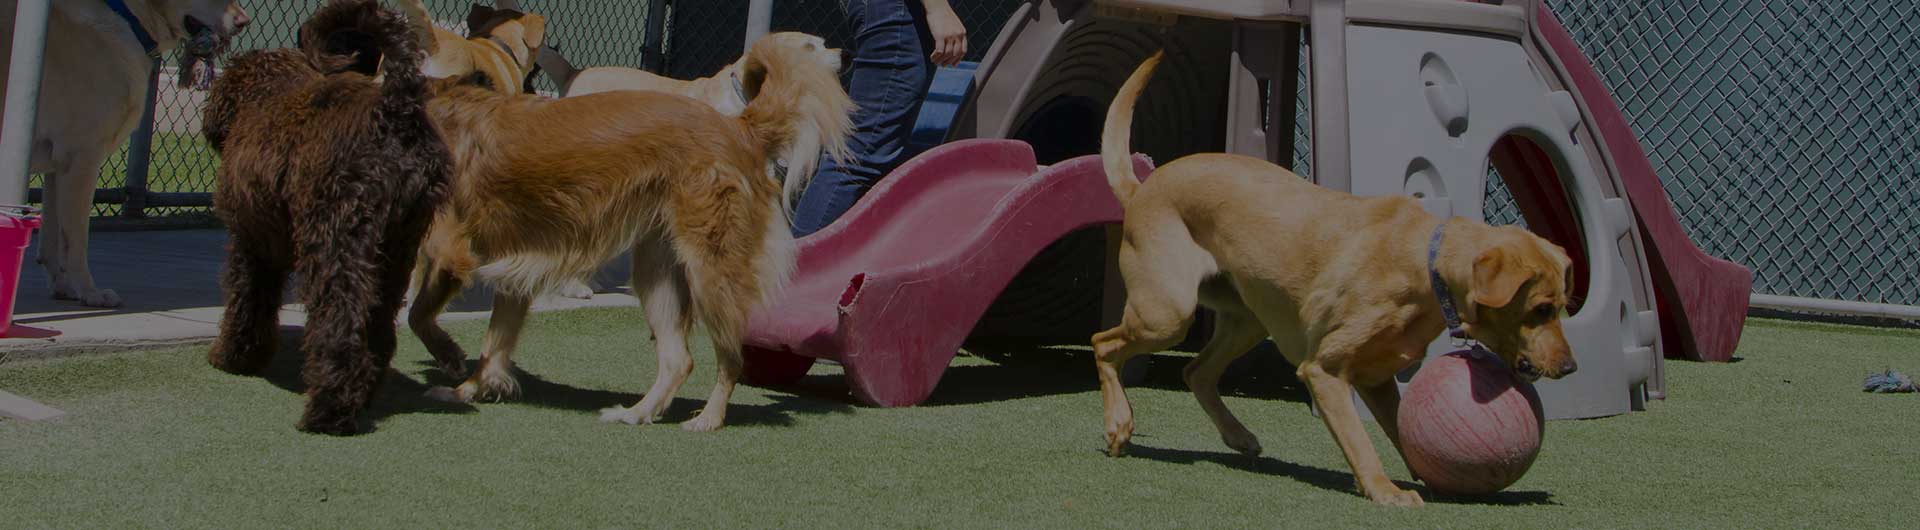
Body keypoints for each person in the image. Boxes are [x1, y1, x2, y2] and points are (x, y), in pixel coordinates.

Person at [790, 0, 970, 237]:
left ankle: (809, 263)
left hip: (894, 11)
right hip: (898, 10)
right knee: (858, 155)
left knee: (864, 154)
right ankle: (801, 267)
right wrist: (938, 8)